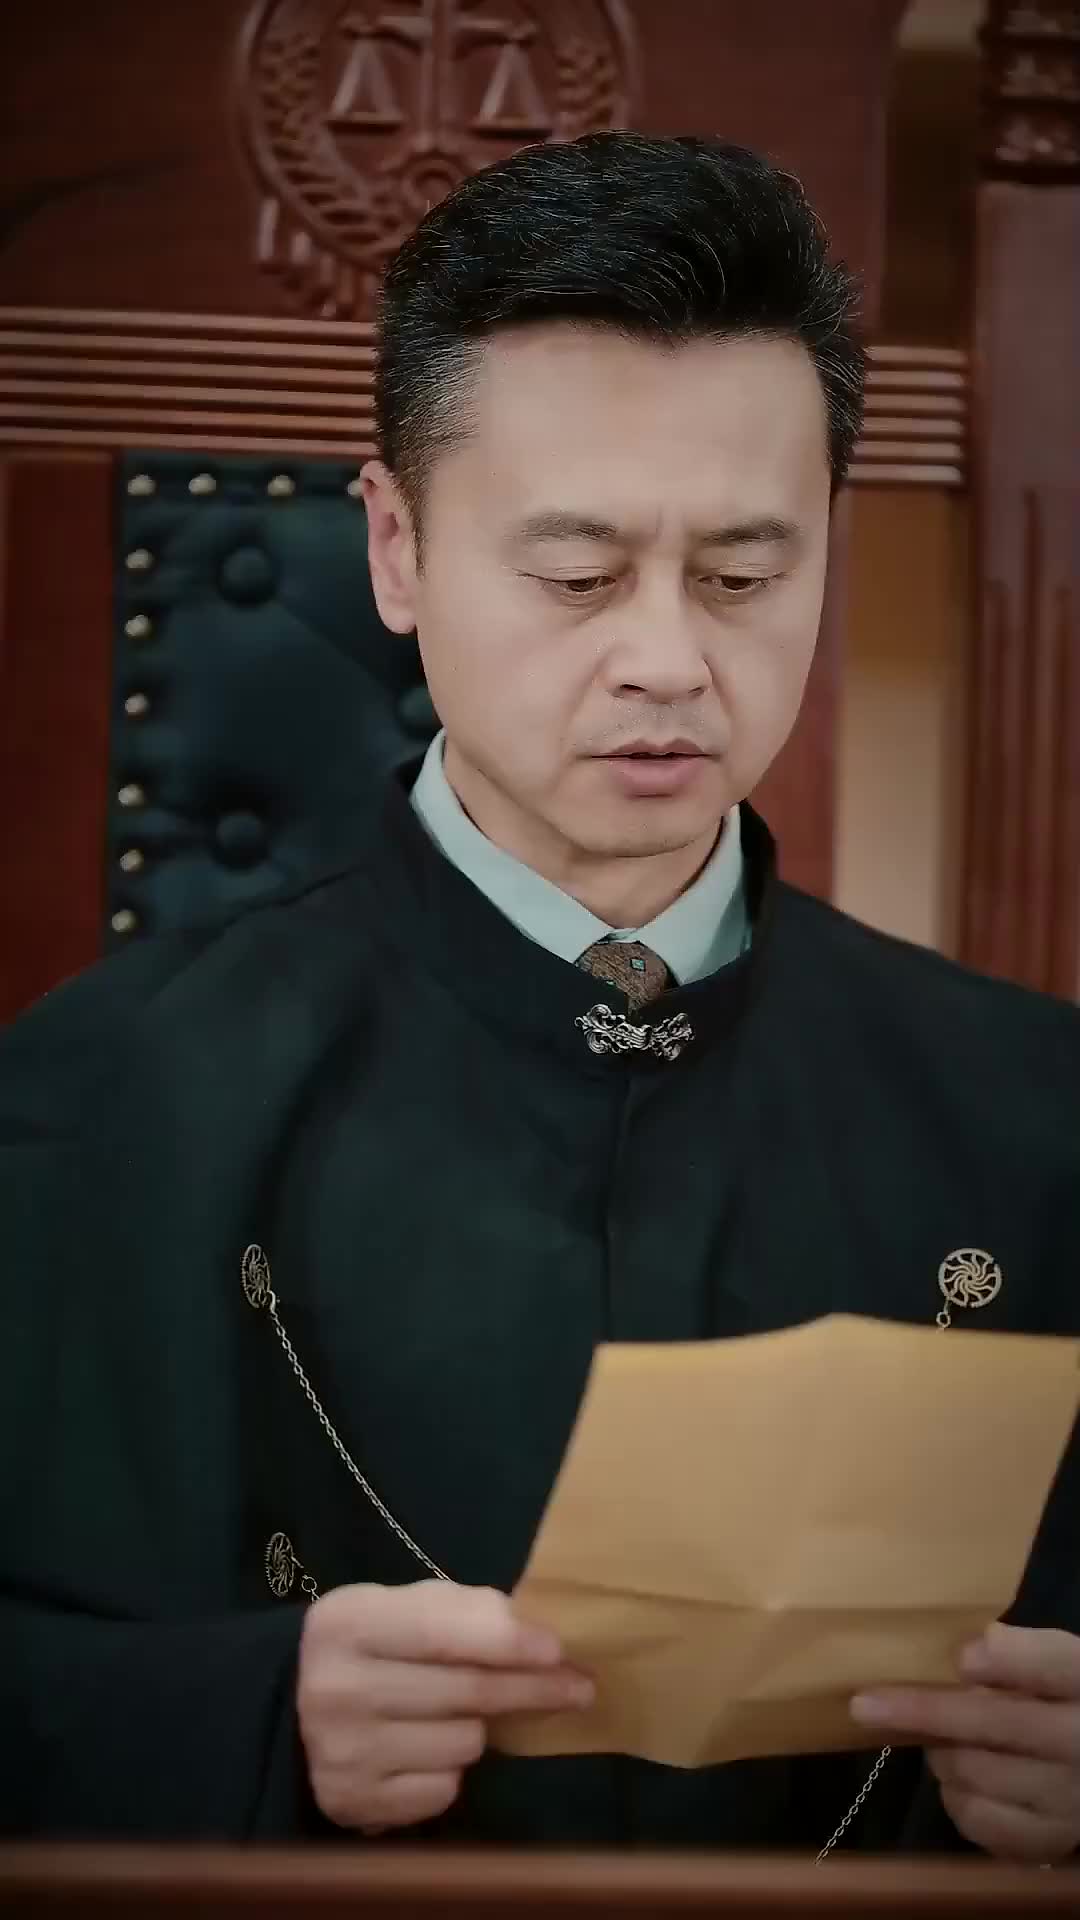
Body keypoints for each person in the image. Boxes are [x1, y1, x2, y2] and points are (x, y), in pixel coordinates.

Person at [2, 132, 1078, 1863]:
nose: (667, 659)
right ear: (398, 547)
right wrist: (250, 1716)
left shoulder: (1036, 1114)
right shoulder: (96, 1098)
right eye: (577, 576)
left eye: (745, 575)